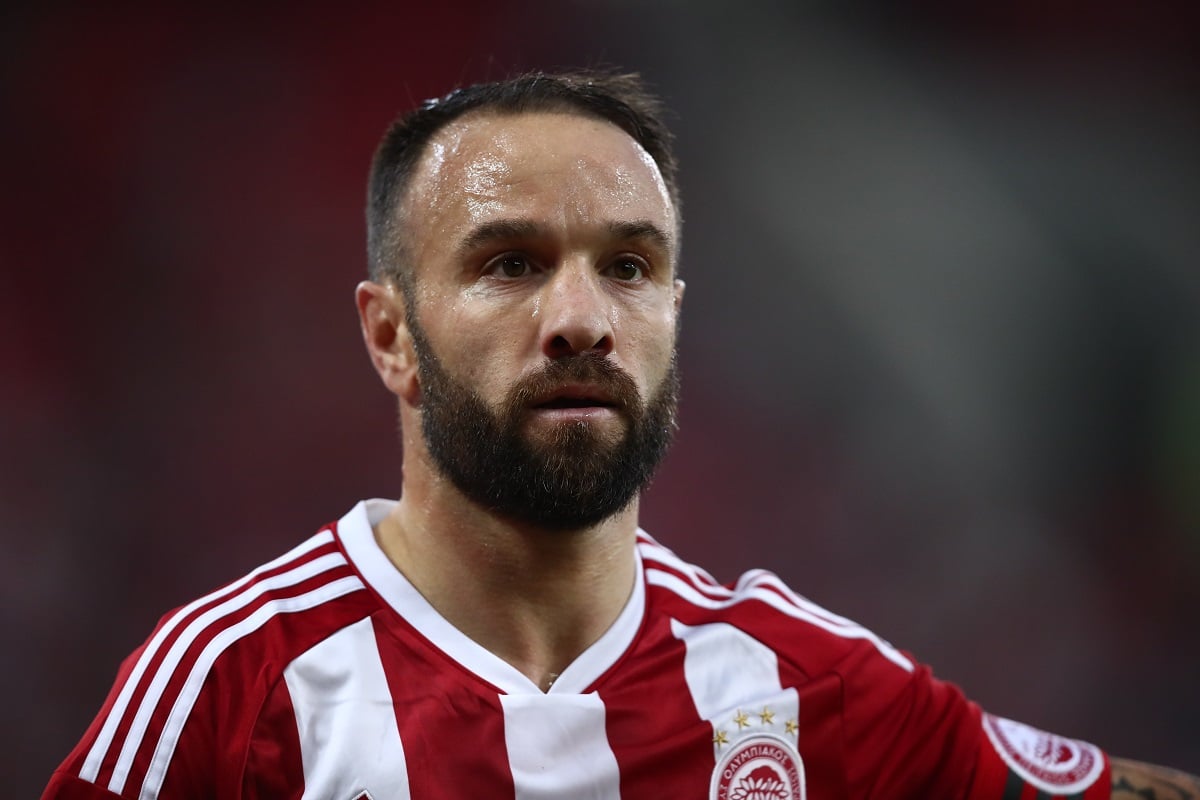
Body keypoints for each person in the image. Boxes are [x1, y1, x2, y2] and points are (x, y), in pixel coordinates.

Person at [43, 70, 1197, 800]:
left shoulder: (804, 686)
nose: (583, 318)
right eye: (511, 263)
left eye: (629, 266)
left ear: (674, 314)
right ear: (391, 335)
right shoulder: (234, 684)